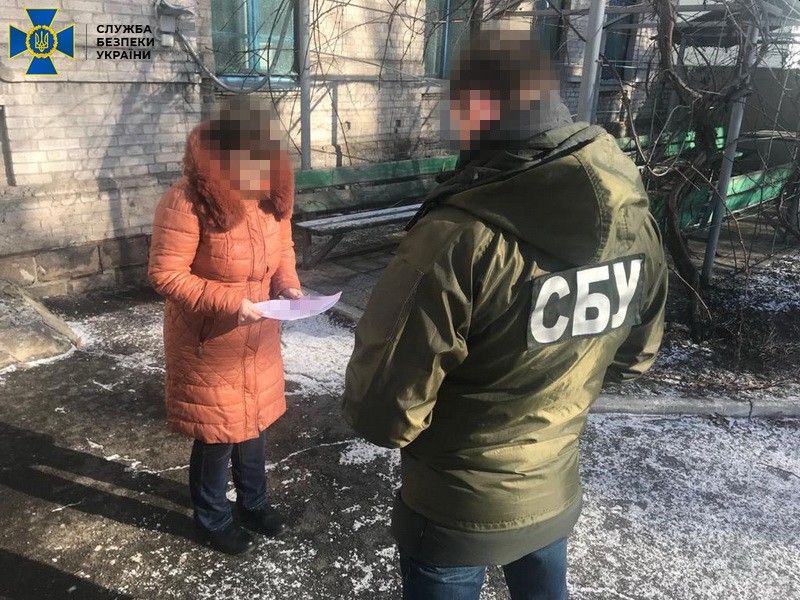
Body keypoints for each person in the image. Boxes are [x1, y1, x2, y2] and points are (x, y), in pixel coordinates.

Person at [342, 29, 667, 599]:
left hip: (453, 509)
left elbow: (383, 412)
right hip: (553, 489)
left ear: (479, 109)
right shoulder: (632, 220)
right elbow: (636, 355)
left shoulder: (454, 237)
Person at [148, 97, 303, 555]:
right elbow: (166, 274)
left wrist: (288, 286)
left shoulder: (270, 194)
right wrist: (233, 302)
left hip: (258, 335)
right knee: (217, 432)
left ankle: (254, 504)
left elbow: (284, 250)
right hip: (209, 340)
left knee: (254, 424)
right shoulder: (187, 200)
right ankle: (212, 518)